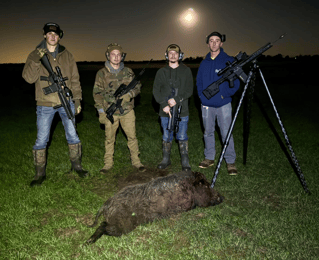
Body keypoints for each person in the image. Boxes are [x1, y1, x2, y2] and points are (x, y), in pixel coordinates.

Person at [22, 22, 89, 187]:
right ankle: (39, 174)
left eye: (56, 34)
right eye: (49, 33)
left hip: (66, 101)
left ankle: (77, 166)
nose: (53, 36)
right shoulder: (34, 54)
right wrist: (37, 60)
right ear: (44, 35)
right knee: (41, 140)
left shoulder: (67, 55)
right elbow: (28, 78)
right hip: (45, 104)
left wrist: (77, 100)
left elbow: (74, 80)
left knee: (73, 135)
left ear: (60, 36)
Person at [93, 43, 145, 174]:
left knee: (132, 137)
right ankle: (108, 164)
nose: (116, 57)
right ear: (108, 56)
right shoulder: (101, 73)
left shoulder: (128, 71)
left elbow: (137, 87)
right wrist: (100, 112)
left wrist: (129, 95)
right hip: (110, 111)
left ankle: (136, 162)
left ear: (122, 56)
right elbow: (97, 93)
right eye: (113, 54)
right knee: (110, 139)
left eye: (118, 55)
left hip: (127, 111)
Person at [196, 31, 240, 175]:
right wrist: (202, 98)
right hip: (206, 105)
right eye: (211, 41)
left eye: (217, 40)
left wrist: (223, 95)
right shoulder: (204, 62)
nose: (214, 43)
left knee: (226, 133)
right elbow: (199, 83)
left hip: (223, 104)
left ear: (221, 43)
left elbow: (237, 83)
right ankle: (209, 157)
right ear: (208, 43)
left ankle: (230, 161)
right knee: (208, 132)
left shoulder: (229, 60)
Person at [153, 44, 194, 171]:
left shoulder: (186, 71)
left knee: (182, 135)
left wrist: (176, 99)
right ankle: (166, 159)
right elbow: (155, 90)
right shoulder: (161, 72)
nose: (173, 55)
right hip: (165, 111)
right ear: (166, 55)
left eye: (175, 53)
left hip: (182, 110)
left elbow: (189, 90)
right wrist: (163, 104)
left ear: (180, 55)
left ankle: (185, 160)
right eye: (170, 53)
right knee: (166, 135)